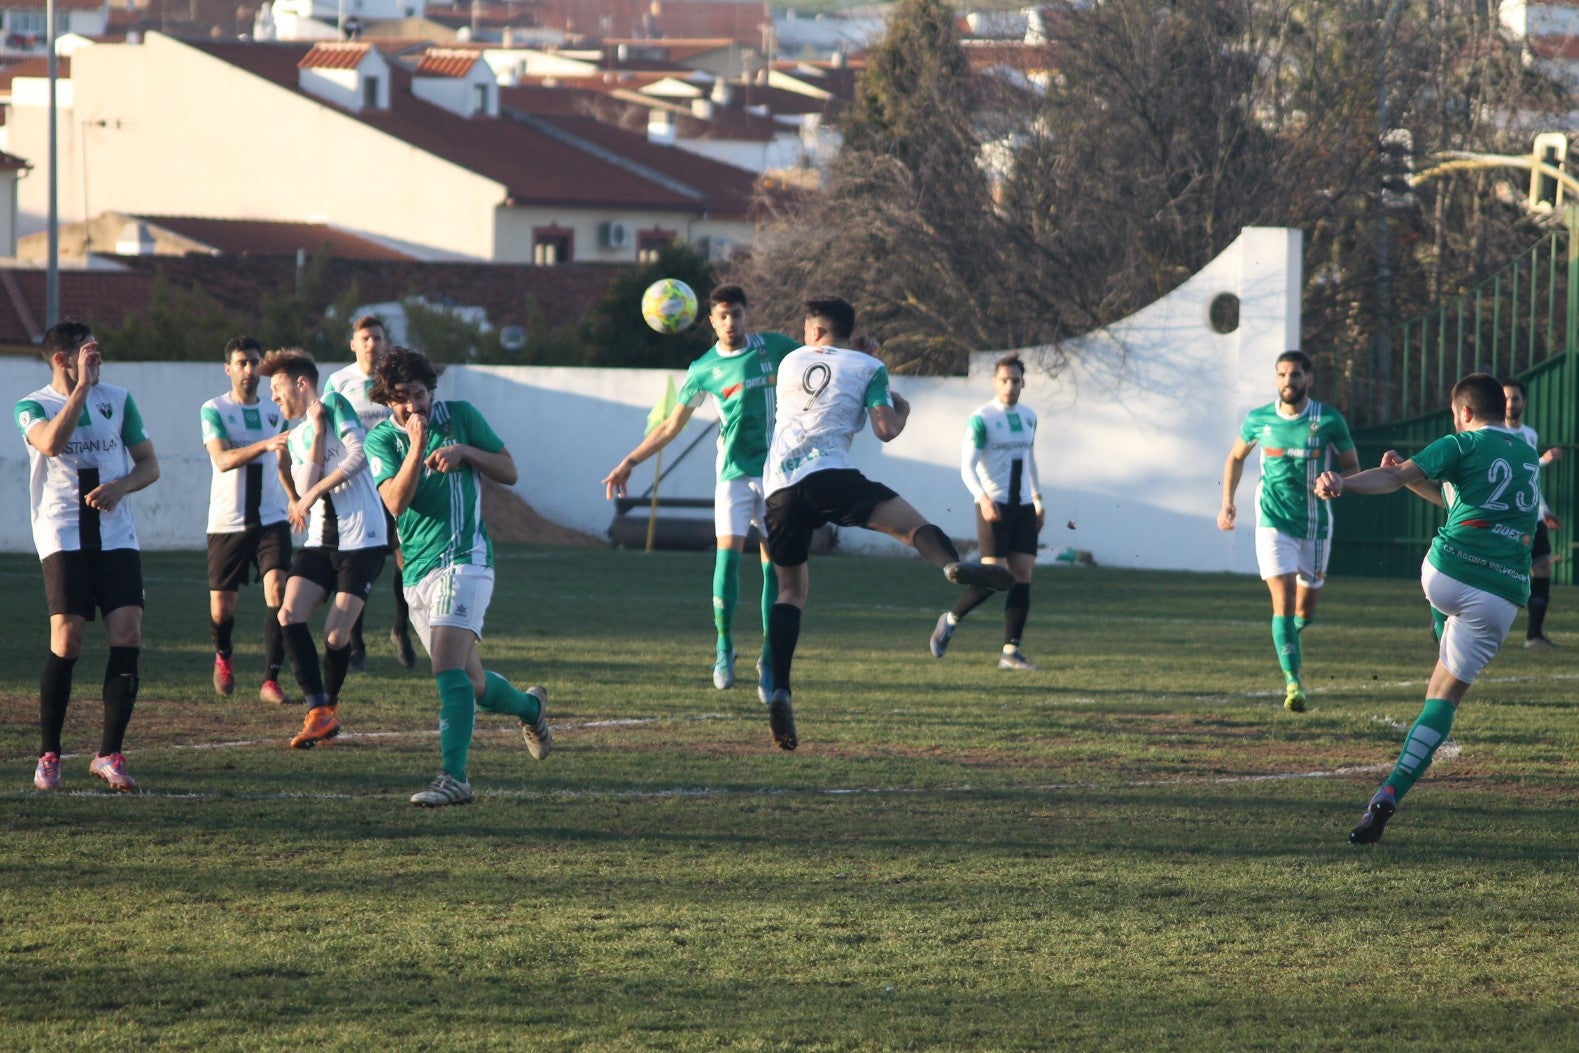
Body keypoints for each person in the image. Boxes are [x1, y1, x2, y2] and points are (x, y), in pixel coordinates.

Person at [760, 297, 1014, 751]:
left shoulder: (790, 360)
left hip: (778, 487)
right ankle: (951, 566)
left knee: (790, 592)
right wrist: (901, 406)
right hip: (831, 476)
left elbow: (828, 366)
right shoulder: (868, 366)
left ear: (814, 332)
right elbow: (885, 428)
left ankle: (779, 686)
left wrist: (864, 358)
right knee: (913, 527)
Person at [1315, 373, 1538, 844]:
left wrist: (1343, 482)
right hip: (1502, 594)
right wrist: (1411, 475)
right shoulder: (1526, 455)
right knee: (1444, 699)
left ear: (1464, 413)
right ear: (1504, 408)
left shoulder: (1461, 443)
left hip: (1447, 572)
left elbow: (1394, 478)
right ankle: (1389, 793)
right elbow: (1462, 501)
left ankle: (1440, 626)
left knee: (1441, 641)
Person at [365, 347, 552, 806]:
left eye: (420, 395)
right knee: (473, 686)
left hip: (466, 560)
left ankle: (455, 778)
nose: (413, 406)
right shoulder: (381, 441)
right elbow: (395, 502)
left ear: (432, 390)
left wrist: (466, 451)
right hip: (418, 573)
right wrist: (417, 447)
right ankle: (531, 708)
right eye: (402, 398)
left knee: (446, 668)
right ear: (388, 400)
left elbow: (509, 470)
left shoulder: (463, 416)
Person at [602, 284, 800, 698]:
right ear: (710, 320)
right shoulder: (703, 368)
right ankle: (724, 649)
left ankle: (768, 659)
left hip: (775, 475)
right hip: (731, 474)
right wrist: (629, 462)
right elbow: (670, 427)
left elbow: (819, 360)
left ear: (748, 315)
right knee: (727, 560)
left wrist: (857, 350)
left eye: (737, 315)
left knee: (772, 568)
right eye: (722, 316)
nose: (731, 323)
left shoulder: (776, 348)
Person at [17, 320, 160, 792]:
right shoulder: (33, 405)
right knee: (69, 637)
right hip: (62, 534)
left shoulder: (119, 399)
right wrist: (80, 389)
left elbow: (149, 464)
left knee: (128, 631)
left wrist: (121, 486)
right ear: (63, 360)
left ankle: (109, 754)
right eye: (86, 352)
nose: (96, 360)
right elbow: (51, 443)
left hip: (116, 533)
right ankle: (50, 754)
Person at [261, 349, 388, 750]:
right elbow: (303, 489)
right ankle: (317, 710)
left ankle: (329, 707)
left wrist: (312, 491)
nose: (274, 398)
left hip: (363, 538)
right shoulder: (298, 434)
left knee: (335, 636)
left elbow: (359, 454)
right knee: (288, 612)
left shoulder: (336, 403)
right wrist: (315, 433)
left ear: (302, 383)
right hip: (320, 540)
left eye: (278, 388)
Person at [1218, 350, 1359, 711]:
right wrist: (1227, 502)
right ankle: (1293, 683)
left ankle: (1290, 638)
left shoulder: (1328, 420)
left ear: (1308, 379)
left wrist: (1337, 483)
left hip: (1315, 524)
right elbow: (1235, 457)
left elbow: (1352, 467)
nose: (1287, 382)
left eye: (1295, 375)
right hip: (1272, 522)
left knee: (1306, 608)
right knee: (1281, 602)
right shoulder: (1259, 419)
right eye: (1281, 375)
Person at [929, 352, 1046, 671]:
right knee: (996, 576)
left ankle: (1011, 653)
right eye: (1004, 380)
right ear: (995, 382)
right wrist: (982, 498)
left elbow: (1030, 458)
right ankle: (951, 620)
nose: (1010, 385)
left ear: (1024, 383)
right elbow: (967, 465)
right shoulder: (982, 418)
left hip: (1022, 507)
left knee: (1023, 575)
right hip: (993, 506)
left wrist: (1037, 498)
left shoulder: (1029, 417)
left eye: (1016, 380)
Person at [202, 336, 295, 705]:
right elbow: (222, 460)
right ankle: (224, 653)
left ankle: (271, 680)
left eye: (255, 362)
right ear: (229, 369)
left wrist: (295, 498)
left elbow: (284, 460)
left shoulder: (277, 410)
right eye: (241, 363)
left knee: (279, 590)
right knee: (222, 609)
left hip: (272, 519)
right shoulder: (214, 409)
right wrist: (264, 445)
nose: (250, 370)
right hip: (228, 522)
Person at [323, 314, 416, 670]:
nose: (371, 343)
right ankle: (355, 643)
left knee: (403, 557)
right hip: (357, 487)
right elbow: (326, 424)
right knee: (358, 562)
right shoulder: (339, 382)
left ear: (384, 341)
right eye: (364, 338)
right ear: (353, 343)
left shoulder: (395, 380)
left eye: (377, 337)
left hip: (392, 480)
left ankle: (401, 629)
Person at [1502, 378, 1563, 648]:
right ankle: (1446, 619)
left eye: (1515, 398)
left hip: (1532, 514)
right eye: (1505, 398)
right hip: (1506, 514)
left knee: (1542, 565)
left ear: (1523, 402)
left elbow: (1530, 480)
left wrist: (1545, 510)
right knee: (1494, 570)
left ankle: (1534, 635)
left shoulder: (1530, 434)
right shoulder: (1496, 433)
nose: (1510, 403)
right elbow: (1515, 469)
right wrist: (1544, 460)